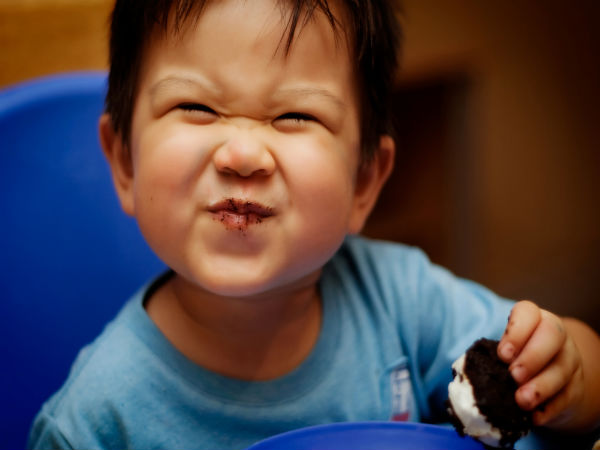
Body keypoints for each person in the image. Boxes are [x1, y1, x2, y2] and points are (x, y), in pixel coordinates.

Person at [28, 0, 600, 448]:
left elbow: (585, 375)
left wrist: (564, 376)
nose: (243, 154)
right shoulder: (93, 423)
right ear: (125, 162)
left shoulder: (401, 300)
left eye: (294, 115)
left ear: (364, 181)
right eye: (197, 108)